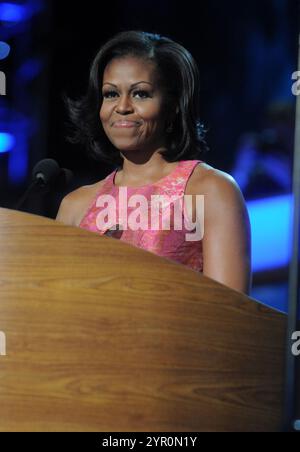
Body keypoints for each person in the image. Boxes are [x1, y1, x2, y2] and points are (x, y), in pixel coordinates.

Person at [56, 30, 252, 295]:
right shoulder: (75, 207)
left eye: (140, 94)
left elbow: (232, 316)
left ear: (172, 106)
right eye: (111, 94)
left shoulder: (211, 190)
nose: (122, 107)